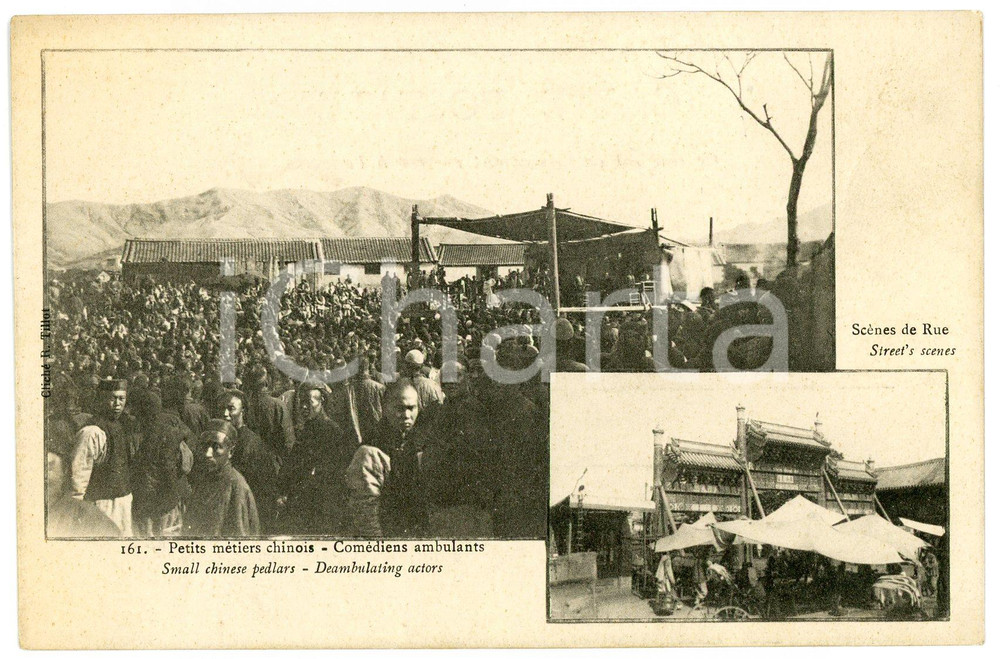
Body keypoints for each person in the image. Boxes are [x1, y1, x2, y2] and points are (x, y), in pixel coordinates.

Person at [345, 381, 429, 537]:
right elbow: (365, 513)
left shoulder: (419, 440)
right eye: (399, 409)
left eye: (411, 408)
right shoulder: (371, 450)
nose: (406, 415)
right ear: (385, 408)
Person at [280, 382, 351, 535]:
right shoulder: (307, 428)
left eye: (308, 402)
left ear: (321, 401)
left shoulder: (332, 431)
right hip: (306, 500)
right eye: (301, 402)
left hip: (322, 503)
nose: (304, 407)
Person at [69, 378, 137, 535]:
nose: (117, 404)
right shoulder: (92, 432)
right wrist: (76, 507)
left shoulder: (124, 425)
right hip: (101, 503)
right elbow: (79, 474)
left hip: (123, 500)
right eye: (112, 398)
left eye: (121, 398)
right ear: (102, 399)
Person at [183, 419, 260, 537]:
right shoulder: (203, 479)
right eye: (205, 446)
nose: (207, 454)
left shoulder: (237, 487)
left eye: (216, 447)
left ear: (231, 452)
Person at [218, 390, 281, 533]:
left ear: (243, 411)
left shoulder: (251, 443)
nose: (225, 414)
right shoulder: (224, 439)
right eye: (222, 408)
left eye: (231, 408)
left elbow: (265, 488)